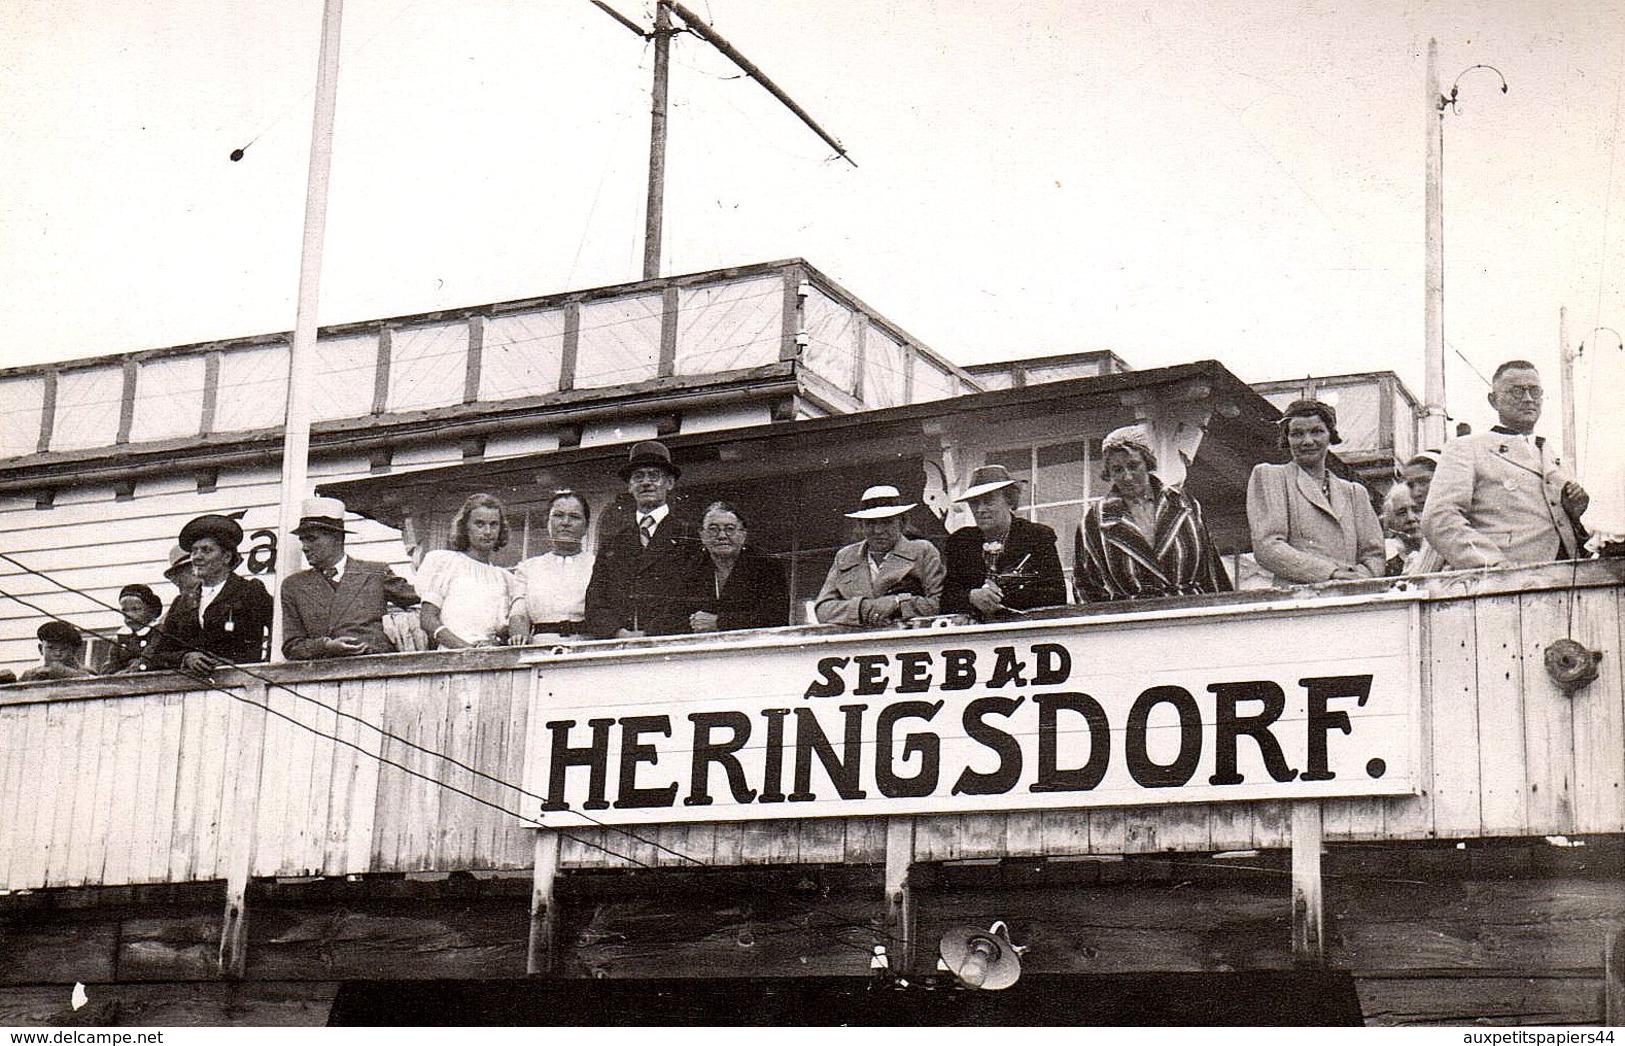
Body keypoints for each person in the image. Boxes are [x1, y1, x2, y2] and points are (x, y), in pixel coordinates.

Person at [1421, 360, 1589, 570]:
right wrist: (1493, 566)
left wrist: (1575, 514)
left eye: (1534, 391)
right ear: (1494, 400)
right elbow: (1440, 519)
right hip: (1506, 585)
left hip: (1567, 579)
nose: (1528, 399)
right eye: (1517, 392)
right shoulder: (1467, 448)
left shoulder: (1553, 457)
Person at [1075, 426, 1233, 601]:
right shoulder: (1096, 520)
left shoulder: (1184, 504)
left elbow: (1212, 571)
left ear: (1147, 463)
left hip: (1190, 613)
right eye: (1117, 470)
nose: (1127, 477)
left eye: (1133, 466)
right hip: (1134, 620)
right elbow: (1085, 588)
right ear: (1109, 473)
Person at [1246, 400, 1386, 584]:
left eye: (1317, 431)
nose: (1307, 441)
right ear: (1286, 439)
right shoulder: (1272, 477)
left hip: (1351, 598)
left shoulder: (1354, 493)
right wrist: (1331, 573)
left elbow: (1374, 554)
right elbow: (1268, 547)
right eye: (1297, 434)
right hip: (1298, 602)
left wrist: (1360, 577)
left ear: (1330, 435)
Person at [282, 497, 420, 659]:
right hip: (324, 675)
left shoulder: (375, 573)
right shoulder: (294, 586)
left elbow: (425, 601)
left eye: (312, 539)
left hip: (377, 669)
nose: (305, 547)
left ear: (337, 538)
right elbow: (291, 647)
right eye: (302, 540)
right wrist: (325, 646)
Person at [584, 441, 697, 638]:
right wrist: (617, 633)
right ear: (629, 486)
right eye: (638, 477)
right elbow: (595, 602)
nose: (646, 482)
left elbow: (693, 598)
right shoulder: (612, 544)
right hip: (619, 646)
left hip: (671, 644)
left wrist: (650, 633)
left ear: (670, 483)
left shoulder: (689, 536)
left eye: (654, 475)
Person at [942, 464, 1067, 618]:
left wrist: (1003, 596)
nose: (980, 509)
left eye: (988, 501)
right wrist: (971, 597)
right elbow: (946, 600)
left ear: (1010, 500)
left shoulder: (1037, 536)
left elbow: (1057, 595)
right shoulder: (960, 542)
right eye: (974, 503)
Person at [155, 514, 273, 672]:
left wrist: (252, 665)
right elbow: (160, 653)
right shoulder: (183, 602)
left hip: (240, 684)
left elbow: (278, 630)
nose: (197, 557)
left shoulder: (249, 591)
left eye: (206, 550)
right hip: (191, 689)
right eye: (194, 551)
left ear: (226, 557)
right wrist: (186, 657)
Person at [815, 485, 945, 626]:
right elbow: (823, 609)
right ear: (861, 526)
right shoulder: (845, 556)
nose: (878, 530)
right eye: (871, 523)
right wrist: (863, 608)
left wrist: (898, 603)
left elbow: (940, 603)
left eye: (887, 522)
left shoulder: (922, 551)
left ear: (902, 523)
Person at [418, 493, 524, 649]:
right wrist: (464, 648)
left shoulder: (505, 578)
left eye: (494, 524)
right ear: (465, 527)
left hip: (490, 658)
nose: (488, 531)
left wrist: (495, 642)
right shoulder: (445, 562)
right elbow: (427, 619)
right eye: (479, 524)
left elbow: (505, 630)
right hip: (451, 656)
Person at [675, 501, 790, 633]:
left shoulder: (766, 566)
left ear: (743, 534)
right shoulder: (690, 568)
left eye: (730, 529)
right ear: (702, 535)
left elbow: (776, 618)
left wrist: (720, 622)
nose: (722, 536)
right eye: (713, 529)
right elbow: (671, 617)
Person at [511, 490, 596, 641]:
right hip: (540, 646)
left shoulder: (597, 565)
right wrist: (519, 636)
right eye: (558, 515)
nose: (565, 522)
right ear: (548, 523)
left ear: (586, 526)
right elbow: (519, 613)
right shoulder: (528, 568)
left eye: (574, 517)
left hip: (586, 646)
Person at [103, 583, 164, 673]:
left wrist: (137, 666)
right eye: (124, 610)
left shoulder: (158, 633)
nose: (129, 615)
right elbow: (109, 666)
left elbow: (151, 657)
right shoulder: (120, 638)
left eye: (135, 609)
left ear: (152, 611)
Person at [20, 621, 93, 682]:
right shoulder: (30, 675)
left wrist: (63, 672)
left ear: (74, 651)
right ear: (40, 649)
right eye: (50, 648)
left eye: (64, 648)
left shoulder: (86, 672)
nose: (57, 654)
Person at [1381, 485, 1422, 576]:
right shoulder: (1382, 558)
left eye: (1417, 510)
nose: (1411, 518)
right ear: (1389, 521)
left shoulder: (1444, 552)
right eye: (1402, 513)